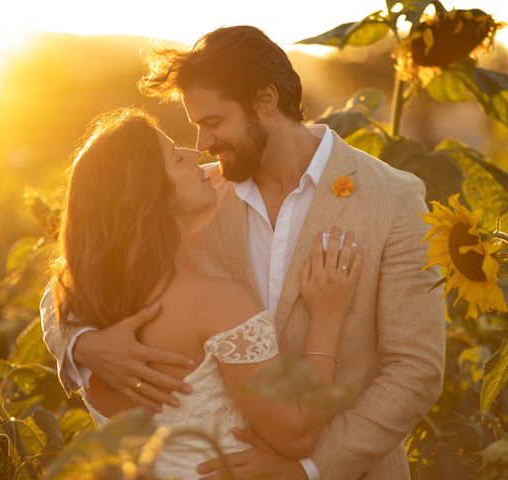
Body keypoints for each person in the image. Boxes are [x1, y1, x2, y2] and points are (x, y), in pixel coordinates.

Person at [41, 26, 445, 480]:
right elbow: (82, 268)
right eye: (195, 127)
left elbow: (415, 369)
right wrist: (84, 344)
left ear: (265, 101)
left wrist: (308, 469)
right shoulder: (192, 197)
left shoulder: (392, 198)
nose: (202, 145)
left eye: (212, 123)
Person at [46, 106, 363, 478]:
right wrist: (326, 316)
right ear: (150, 194)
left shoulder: (79, 301)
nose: (196, 154)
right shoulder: (214, 305)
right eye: (176, 158)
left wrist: (80, 344)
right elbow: (297, 435)